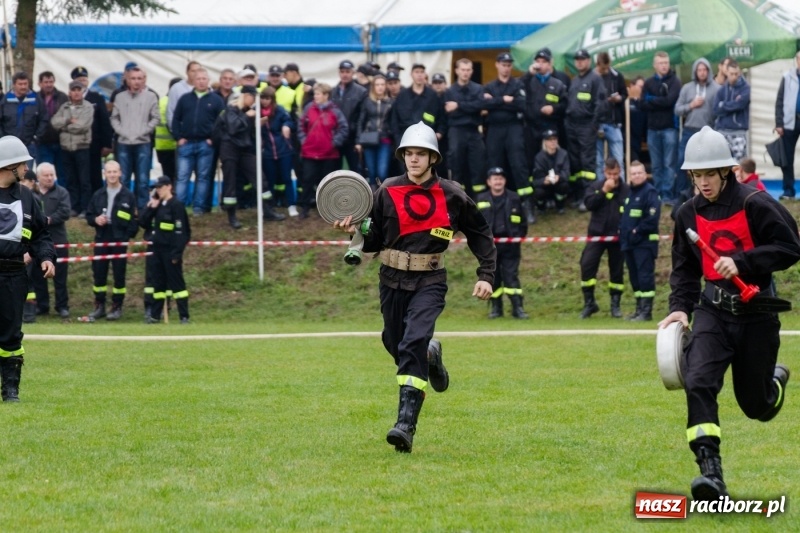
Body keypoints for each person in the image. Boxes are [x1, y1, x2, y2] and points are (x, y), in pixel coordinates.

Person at [332, 121, 495, 453]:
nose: (414, 159)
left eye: (421, 154)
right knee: (395, 342)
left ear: (433, 158)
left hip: (430, 281)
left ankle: (405, 426)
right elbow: (373, 238)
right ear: (402, 155)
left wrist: (487, 275)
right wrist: (351, 230)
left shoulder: (452, 194)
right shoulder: (386, 190)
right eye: (409, 153)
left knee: (412, 342)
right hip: (390, 278)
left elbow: (481, 234)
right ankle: (430, 355)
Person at [658, 125, 800, 501]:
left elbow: (790, 248)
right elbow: (685, 269)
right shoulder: (686, 214)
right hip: (713, 313)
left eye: (709, 173)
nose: (702, 182)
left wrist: (742, 262)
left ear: (727, 171)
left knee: (756, 406)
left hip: (757, 316)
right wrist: (679, 310)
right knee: (699, 381)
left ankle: (775, 382)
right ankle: (711, 473)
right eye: (696, 175)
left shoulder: (756, 203)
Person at [0, 135, 56, 401]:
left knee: (11, 333)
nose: (26, 169)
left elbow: (41, 234)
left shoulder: (27, 197)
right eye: (22, 164)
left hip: (13, 275)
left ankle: (10, 390)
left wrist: (46, 257)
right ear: (8, 166)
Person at [216, 85, 285, 228]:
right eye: (253, 98)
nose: (254, 101)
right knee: (231, 183)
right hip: (229, 149)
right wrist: (247, 117)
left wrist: (256, 123)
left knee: (260, 177)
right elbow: (233, 128)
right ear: (246, 96)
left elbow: (247, 130)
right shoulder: (231, 109)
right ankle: (232, 217)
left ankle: (268, 211)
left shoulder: (250, 111)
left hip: (245, 149)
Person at [85, 160, 140, 320]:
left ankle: (117, 307)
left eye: (115, 172)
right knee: (99, 274)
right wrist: (96, 220)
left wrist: (126, 237)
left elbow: (134, 221)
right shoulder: (98, 194)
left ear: (120, 173)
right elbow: (89, 216)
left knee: (119, 274)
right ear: (105, 174)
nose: (112, 175)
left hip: (119, 240)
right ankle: (99, 306)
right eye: (109, 172)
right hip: (102, 237)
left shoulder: (128, 195)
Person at [483, 52, 534, 223]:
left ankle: (527, 205)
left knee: (519, 164)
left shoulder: (518, 83)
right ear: (497, 65)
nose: (506, 67)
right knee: (495, 164)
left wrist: (496, 102)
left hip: (514, 128)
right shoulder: (489, 86)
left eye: (509, 65)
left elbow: (522, 105)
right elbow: (484, 105)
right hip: (495, 130)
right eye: (503, 64)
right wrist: (505, 100)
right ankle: (493, 204)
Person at [578, 157, 629, 319]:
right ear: (604, 172)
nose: (612, 177)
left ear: (620, 171)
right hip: (597, 235)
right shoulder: (596, 186)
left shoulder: (627, 189)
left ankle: (615, 305)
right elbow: (589, 204)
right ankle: (589, 303)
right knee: (586, 264)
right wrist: (603, 191)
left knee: (617, 271)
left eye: (615, 174)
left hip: (617, 237)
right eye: (609, 174)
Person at [475, 167, 528, 319]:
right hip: (489, 247)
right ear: (488, 182)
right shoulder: (481, 199)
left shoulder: (514, 198)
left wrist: (518, 237)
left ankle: (518, 308)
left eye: (500, 178)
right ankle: (496, 309)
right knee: (494, 277)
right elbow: (474, 223)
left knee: (511, 276)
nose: (498, 181)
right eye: (495, 178)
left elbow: (523, 222)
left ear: (504, 181)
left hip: (510, 245)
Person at [171, 67, 225, 215]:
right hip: (186, 143)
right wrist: (178, 137)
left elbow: (221, 123)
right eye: (198, 79)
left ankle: (198, 208)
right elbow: (176, 119)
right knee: (182, 177)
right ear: (193, 81)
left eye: (204, 79)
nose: (201, 82)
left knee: (203, 177)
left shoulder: (216, 100)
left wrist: (213, 140)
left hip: (205, 144)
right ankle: (179, 208)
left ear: (208, 80)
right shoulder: (185, 99)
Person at [139, 176, 191, 324]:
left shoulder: (176, 205)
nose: (158, 190)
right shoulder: (158, 205)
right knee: (158, 284)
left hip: (170, 251)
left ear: (169, 187)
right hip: (156, 250)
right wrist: (150, 208)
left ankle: (184, 315)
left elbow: (182, 232)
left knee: (177, 285)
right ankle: (155, 315)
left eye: (161, 187)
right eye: (157, 188)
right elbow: (143, 222)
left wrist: (177, 253)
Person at [110, 66, 160, 210]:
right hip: (123, 143)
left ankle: (143, 211)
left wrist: (143, 131)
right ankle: (124, 209)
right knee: (123, 179)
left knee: (143, 180)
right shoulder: (119, 97)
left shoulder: (151, 97)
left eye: (139, 78)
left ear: (144, 80)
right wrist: (122, 131)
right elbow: (114, 118)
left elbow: (156, 118)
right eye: (133, 78)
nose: (136, 81)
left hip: (143, 143)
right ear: (127, 80)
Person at [297, 83, 348, 220]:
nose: (315, 96)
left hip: (329, 154)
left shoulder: (335, 111)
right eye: (315, 94)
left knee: (326, 182)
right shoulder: (308, 108)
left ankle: (324, 209)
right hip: (310, 153)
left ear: (326, 95)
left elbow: (343, 128)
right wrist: (304, 141)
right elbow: (301, 125)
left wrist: (334, 143)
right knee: (307, 180)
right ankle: (305, 207)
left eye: (318, 94)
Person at [619, 160, 660, 321]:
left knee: (645, 277)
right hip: (629, 243)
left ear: (644, 174)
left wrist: (637, 231)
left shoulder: (650, 192)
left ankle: (647, 311)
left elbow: (652, 218)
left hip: (644, 243)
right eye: (633, 173)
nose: (636, 176)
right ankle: (639, 309)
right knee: (634, 277)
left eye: (639, 173)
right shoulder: (630, 193)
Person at [564, 49, 605, 209]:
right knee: (575, 162)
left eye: (583, 59)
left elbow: (600, 104)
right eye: (577, 59)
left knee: (587, 163)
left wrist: (593, 125)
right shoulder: (574, 80)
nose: (580, 62)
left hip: (587, 125)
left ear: (589, 61)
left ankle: (587, 196)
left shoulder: (595, 79)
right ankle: (577, 195)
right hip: (572, 125)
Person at [30, 162, 71, 319]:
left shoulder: (62, 193)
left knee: (60, 278)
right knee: (38, 277)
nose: (49, 178)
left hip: (58, 240)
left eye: (51, 175)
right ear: (38, 177)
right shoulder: (32, 194)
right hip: (37, 243)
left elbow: (65, 211)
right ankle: (42, 306)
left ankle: (62, 306)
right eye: (45, 175)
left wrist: (49, 220)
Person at [640, 51, 682, 203]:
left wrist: (652, 99)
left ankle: (667, 195)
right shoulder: (648, 82)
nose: (664, 66)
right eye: (661, 63)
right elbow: (642, 103)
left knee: (669, 165)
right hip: (652, 129)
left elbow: (670, 101)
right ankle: (656, 194)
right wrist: (659, 100)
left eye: (666, 63)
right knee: (656, 165)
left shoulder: (675, 81)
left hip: (669, 128)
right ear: (655, 65)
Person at [675, 58, 719, 197]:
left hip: (708, 131)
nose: (702, 73)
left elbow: (719, 111)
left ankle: (708, 191)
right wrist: (691, 105)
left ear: (709, 71)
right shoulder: (687, 88)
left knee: (708, 162)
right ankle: (682, 194)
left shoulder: (717, 88)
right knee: (683, 161)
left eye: (704, 69)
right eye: (699, 70)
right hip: (690, 130)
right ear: (695, 71)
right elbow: (677, 109)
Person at [50, 80, 94, 217]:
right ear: (69, 92)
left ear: (82, 92)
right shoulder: (64, 107)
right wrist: (69, 121)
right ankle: (74, 207)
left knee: (84, 180)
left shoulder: (88, 107)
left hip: (81, 147)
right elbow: (54, 122)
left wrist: (65, 126)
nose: (76, 92)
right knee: (71, 179)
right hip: (66, 149)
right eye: (73, 90)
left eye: (78, 90)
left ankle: (86, 208)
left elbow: (83, 126)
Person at [444, 58, 487, 195]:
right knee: (457, 166)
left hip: (474, 131)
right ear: (456, 71)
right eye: (463, 70)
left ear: (472, 71)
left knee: (477, 166)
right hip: (456, 131)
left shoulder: (478, 88)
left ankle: (478, 201)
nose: (465, 73)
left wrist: (458, 105)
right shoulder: (449, 91)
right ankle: (457, 199)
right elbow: (450, 113)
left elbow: (480, 105)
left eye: (468, 70)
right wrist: (471, 107)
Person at [69, 66, 114, 194]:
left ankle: (96, 202)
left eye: (84, 79)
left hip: (94, 143)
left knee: (94, 174)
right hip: (75, 144)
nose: (83, 82)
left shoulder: (96, 97)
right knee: (78, 175)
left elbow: (104, 121)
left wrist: (107, 144)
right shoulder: (69, 99)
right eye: (79, 79)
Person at [521, 48, 567, 164]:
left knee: (550, 159)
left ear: (549, 64)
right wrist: (529, 74)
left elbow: (566, 104)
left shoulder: (557, 84)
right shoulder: (528, 81)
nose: (540, 64)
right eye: (538, 61)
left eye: (543, 62)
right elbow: (517, 87)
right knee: (530, 159)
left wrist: (554, 108)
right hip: (531, 128)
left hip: (550, 127)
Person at [259, 87, 296, 214]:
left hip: (284, 151)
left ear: (272, 100)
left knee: (287, 178)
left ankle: (291, 205)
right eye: (262, 98)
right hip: (267, 152)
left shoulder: (280, 110)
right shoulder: (256, 112)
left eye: (267, 99)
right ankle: (270, 207)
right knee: (270, 181)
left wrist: (286, 126)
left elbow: (289, 121)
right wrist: (259, 124)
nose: (264, 101)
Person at [594, 52, 627, 182]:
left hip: (613, 123)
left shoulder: (616, 76)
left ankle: (621, 191)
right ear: (597, 64)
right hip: (596, 124)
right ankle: (602, 190)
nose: (606, 70)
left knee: (619, 159)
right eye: (603, 68)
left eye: (607, 67)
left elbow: (624, 94)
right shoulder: (591, 78)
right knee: (598, 162)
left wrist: (619, 98)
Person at [0, 72, 48, 162]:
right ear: (14, 84)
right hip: (9, 146)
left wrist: (36, 137)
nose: (23, 87)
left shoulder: (35, 99)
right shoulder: (5, 100)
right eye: (20, 84)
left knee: (26, 174)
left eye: (25, 84)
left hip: (29, 145)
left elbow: (43, 119)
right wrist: (3, 138)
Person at [355, 74, 393, 189]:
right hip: (369, 139)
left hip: (385, 139)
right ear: (373, 87)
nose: (380, 87)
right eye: (377, 85)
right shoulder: (367, 102)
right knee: (371, 172)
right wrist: (358, 141)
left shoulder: (391, 102)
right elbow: (361, 121)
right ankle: (373, 200)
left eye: (382, 84)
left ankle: (382, 197)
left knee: (382, 172)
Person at [330, 60, 367, 175]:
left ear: (353, 73)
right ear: (339, 73)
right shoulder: (332, 91)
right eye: (342, 71)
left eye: (347, 71)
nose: (345, 74)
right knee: (334, 172)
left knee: (355, 172)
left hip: (352, 138)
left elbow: (362, 118)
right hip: (336, 138)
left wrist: (358, 140)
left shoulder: (361, 91)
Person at [712, 59, 750, 162]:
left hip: (739, 132)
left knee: (739, 164)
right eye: (731, 73)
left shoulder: (746, 88)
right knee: (722, 163)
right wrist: (733, 104)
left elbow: (740, 105)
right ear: (727, 73)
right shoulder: (721, 90)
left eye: (736, 74)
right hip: (722, 131)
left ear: (739, 73)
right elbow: (715, 110)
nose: (734, 76)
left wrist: (723, 105)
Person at [775, 51, 800, 199]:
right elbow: (779, 101)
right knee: (787, 158)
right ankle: (788, 191)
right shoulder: (787, 77)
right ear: (796, 61)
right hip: (790, 122)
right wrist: (779, 123)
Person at [35, 71, 68, 183]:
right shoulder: (35, 98)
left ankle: (62, 199)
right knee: (44, 174)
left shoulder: (62, 97)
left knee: (62, 174)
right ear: (39, 83)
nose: (49, 84)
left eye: (51, 82)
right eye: (46, 82)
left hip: (61, 142)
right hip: (43, 142)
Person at [531, 129, 570, 215]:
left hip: (558, 184)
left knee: (564, 185)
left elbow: (567, 172)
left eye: (554, 139)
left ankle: (560, 206)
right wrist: (544, 181)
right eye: (549, 140)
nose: (553, 142)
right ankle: (541, 207)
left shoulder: (563, 154)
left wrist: (559, 177)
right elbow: (536, 180)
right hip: (545, 186)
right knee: (538, 192)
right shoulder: (539, 157)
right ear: (545, 142)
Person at [155, 77, 181, 183]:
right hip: (173, 145)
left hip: (161, 145)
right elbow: (171, 123)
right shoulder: (172, 101)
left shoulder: (161, 101)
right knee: (175, 177)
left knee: (167, 175)